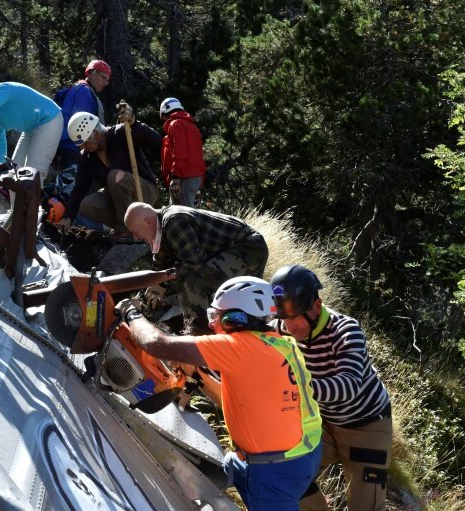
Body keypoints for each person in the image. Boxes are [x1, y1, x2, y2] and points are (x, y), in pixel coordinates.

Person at [116, 276, 322, 511]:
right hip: (303, 453)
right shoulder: (280, 344)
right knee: (232, 465)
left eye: (216, 316)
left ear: (236, 319)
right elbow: (239, 401)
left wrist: (130, 313)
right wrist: (201, 377)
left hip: (274, 471)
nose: (212, 324)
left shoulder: (238, 346)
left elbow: (156, 343)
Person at [269, 265, 392, 511]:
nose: (290, 327)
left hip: (366, 426)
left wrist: (291, 388)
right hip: (322, 423)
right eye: (284, 318)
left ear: (317, 305)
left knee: (364, 506)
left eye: (296, 317)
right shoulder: (281, 328)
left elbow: (348, 386)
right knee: (281, 473)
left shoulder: (346, 331)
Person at [124, 202, 268, 333]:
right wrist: (155, 283)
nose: (135, 237)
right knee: (225, 294)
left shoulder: (174, 222)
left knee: (194, 283)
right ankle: (245, 328)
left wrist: (164, 283)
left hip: (248, 248)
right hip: (236, 248)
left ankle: (198, 336)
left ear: (147, 221)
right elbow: (162, 261)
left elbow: (193, 263)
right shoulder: (160, 226)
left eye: (135, 231)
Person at [56, 108, 161, 239]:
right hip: (119, 199)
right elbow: (79, 189)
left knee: (115, 177)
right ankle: (126, 227)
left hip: (144, 191)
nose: (83, 148)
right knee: (87, 205)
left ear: (95, 133)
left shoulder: (121, 133)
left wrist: (134, 124)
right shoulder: (86, 157)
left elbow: (157, 141)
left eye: (85, 143)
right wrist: (68, 216)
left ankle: (125, 230)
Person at [54, 59, 112, 170]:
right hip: (72, 147)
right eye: (104, 78)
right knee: (71, 184)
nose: (105, 83)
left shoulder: (79, 88)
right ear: (93, 74)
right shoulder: (84, 91)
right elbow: (81, 124)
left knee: (65, 183)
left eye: (107, 80)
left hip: (65, 144)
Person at [159, 97, 206, 207]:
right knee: (189, 216)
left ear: (164, 113)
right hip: (194, 179)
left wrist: (175, 177)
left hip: (183, 179)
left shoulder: (175, 124)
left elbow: (180, 152)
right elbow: (198, 156)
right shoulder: (193, 127)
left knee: (181, 219)